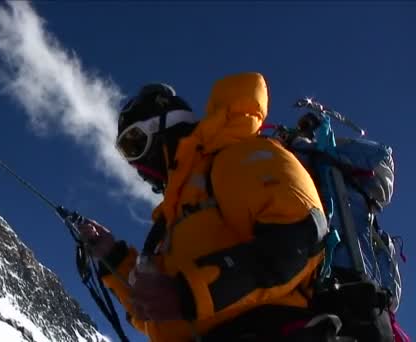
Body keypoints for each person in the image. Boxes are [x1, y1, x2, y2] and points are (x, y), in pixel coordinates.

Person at [79, 72, 339, 342]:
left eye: (135, 143)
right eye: (127, 152)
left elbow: (300, 238)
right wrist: (113, 257)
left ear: (166, 125)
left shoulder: (236, 157)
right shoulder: (174, 216)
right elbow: (150, 308)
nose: (136, 165)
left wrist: (188, 293)